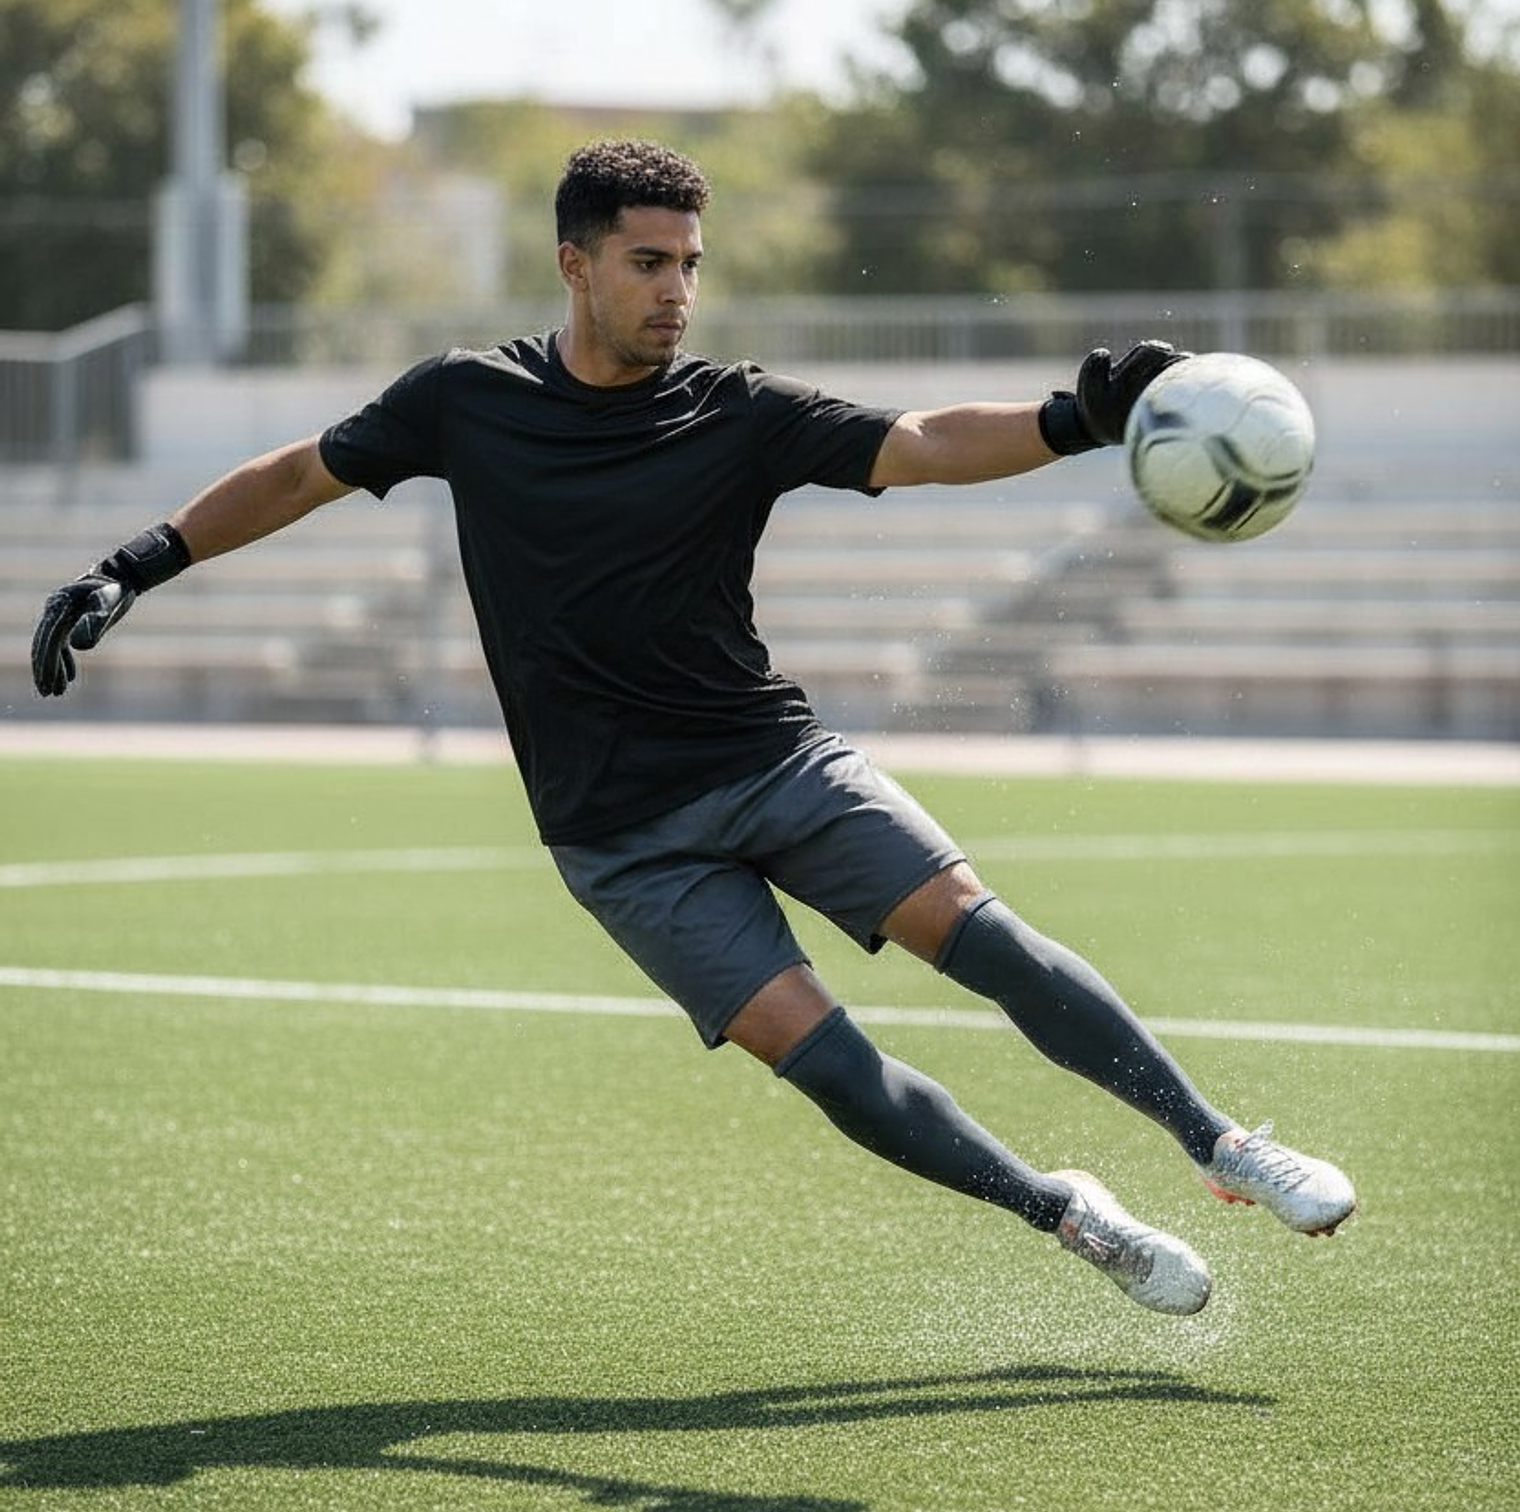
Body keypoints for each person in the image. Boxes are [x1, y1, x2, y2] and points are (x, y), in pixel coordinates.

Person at [31, 139, 1355, 1316]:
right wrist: (135, 565)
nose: (676, 291)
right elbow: (297, 474)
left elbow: (922, 442)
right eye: (648, 263)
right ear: (575, 263)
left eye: (691, 266)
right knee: (834, 1069)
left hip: (773, 761)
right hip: (620, 841)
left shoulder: (736, 409)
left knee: (981, 937)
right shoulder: (463, 401)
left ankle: (1221, 1144)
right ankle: (1073, 1218)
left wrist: (1080, 418)